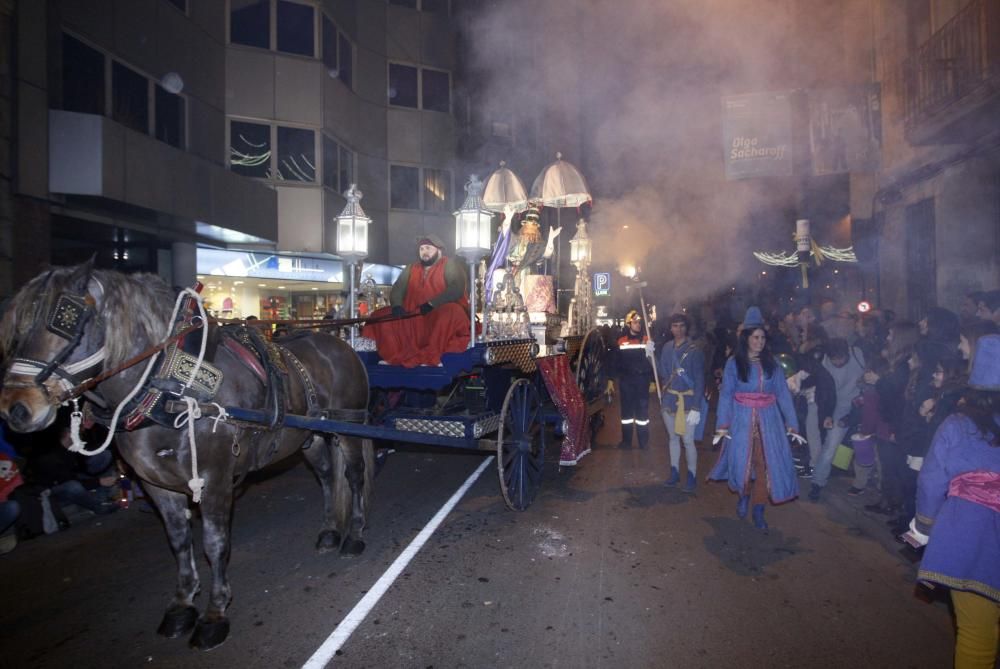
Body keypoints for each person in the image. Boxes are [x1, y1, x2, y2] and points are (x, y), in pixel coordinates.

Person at [904, 334, 1000, 669]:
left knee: (976, 636)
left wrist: (925, 525)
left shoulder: (957, 425)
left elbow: (931, 481)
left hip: (969, 535)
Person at [708, 307, 803, 529]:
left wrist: (792, 423)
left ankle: (759, 510)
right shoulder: (734, 363)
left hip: (769, 423)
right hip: (741, 420)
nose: (760, 342)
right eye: (755, 337)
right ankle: (744, 495)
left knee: (765, 467)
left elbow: (782, 394)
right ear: (746, 338)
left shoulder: (772, 364)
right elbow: (726, 395)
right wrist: (722, 425)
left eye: (762, 338)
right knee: (742, 464)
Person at [362, 234, 470, 367]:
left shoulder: (450, 264)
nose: (424, 252)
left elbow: (456, 288)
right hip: (413, 315)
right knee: (380, 316)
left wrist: (432, 304)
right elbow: (398, 288)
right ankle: (393, 357)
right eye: (422, 249)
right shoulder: (411, 268)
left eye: (428, 248)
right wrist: (397, 306)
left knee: (451, 311)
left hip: (438, 312)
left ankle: (432, 357)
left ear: (439, 250)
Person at [807, 337, 865, 501]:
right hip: (833, 404)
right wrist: (827, 415)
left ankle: (821, 480)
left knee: (836, 445)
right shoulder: (824, 363)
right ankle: (817, 480)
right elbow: (824, 393)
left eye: (841, 359)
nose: (838, 362)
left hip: (854, 405)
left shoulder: (858, 354)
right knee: (826, 442)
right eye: (835, 360)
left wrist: (853, 415)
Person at [658, 313, 705, 491]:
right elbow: (662, 372)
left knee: (688, 440)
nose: (678, 329)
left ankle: (692, 475)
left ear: (687, 327)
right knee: (673, 438)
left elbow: (700, 380)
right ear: (670, 328)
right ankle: (674, 471)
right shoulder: (667, 348)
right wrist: (650, 355)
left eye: (682, 325)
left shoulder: (694, 350)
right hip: (670, 400)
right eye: (675, 326)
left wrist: (696, 407)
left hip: (688, 400)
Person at [613, 310, 655, 449]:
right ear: (629, 324)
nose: (638, 325)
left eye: (639, 322)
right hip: (626, 382)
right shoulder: (621, 340)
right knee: (626, 415)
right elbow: (616, 361)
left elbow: (652, 363)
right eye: (635, 322)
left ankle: (643, 442)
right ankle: (626, 442)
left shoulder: (646, 339)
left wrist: (653, 381)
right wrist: (611, 378)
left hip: (642, 381)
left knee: (642, 414)